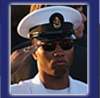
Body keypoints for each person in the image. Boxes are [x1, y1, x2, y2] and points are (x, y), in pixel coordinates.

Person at [11, 6, 87, 94]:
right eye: (49, 46)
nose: (59, 52)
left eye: (66, 45)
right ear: (34, 53)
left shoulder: (88, 91)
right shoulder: (16, 92)